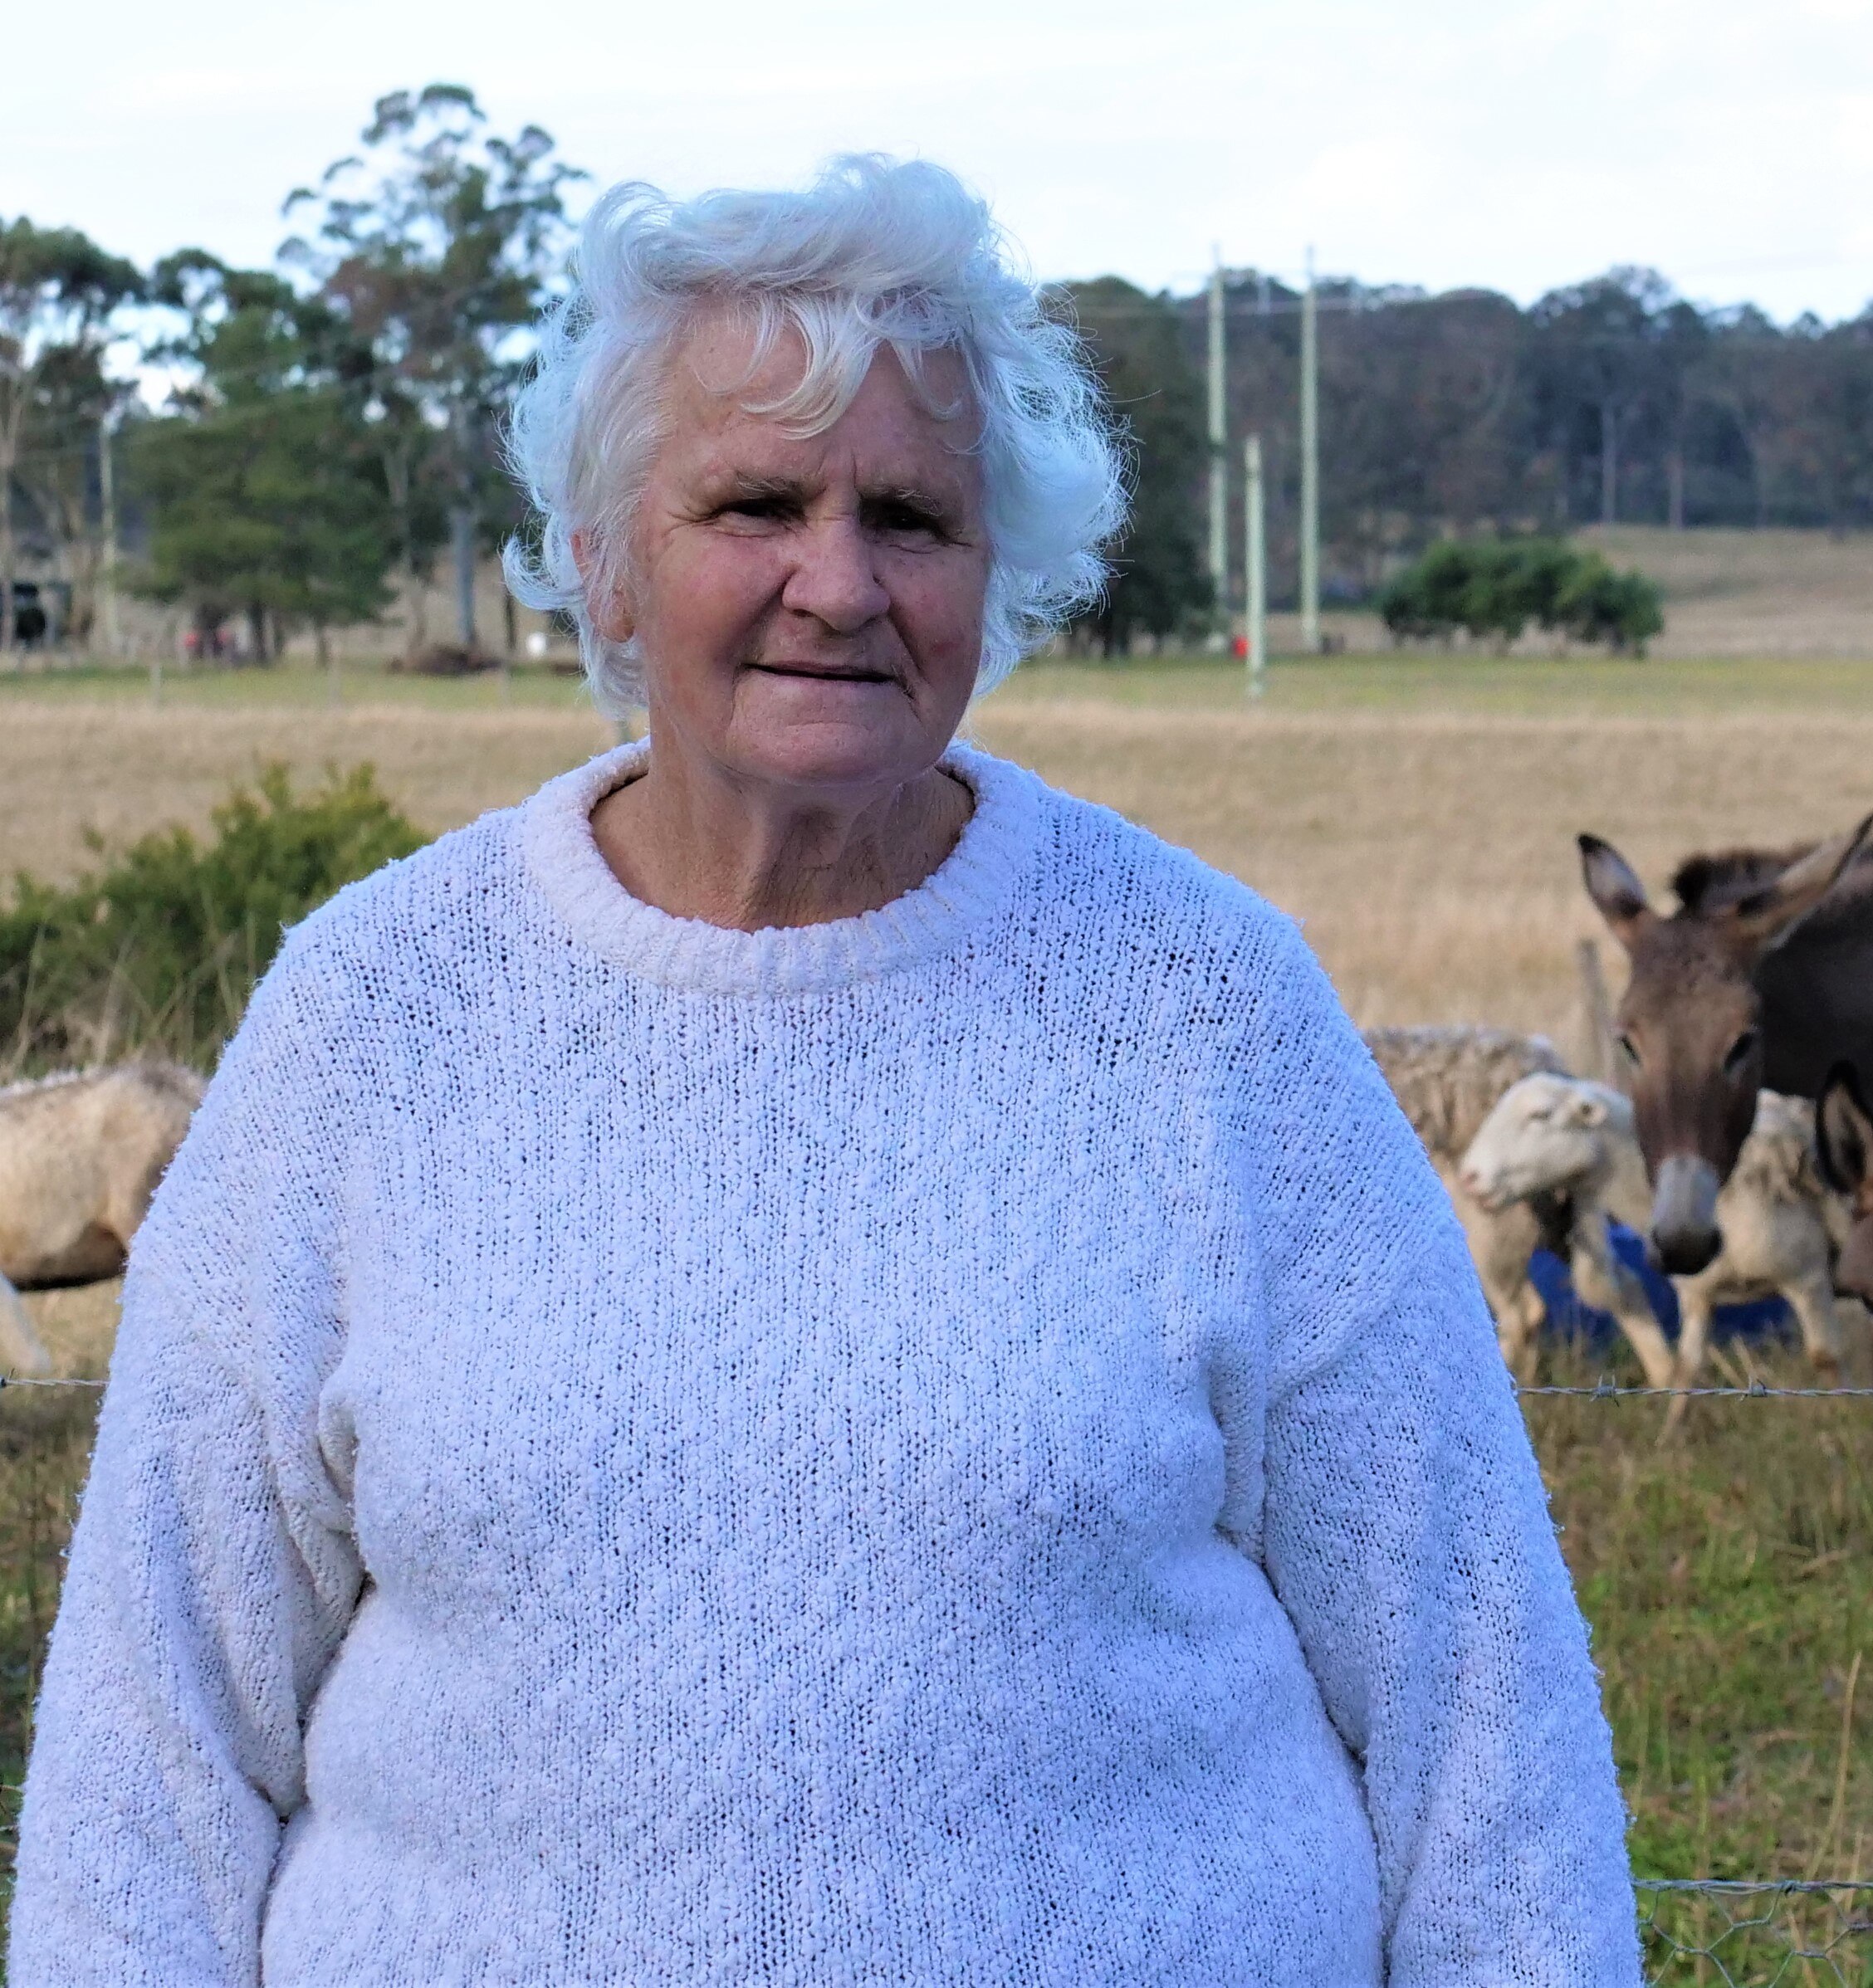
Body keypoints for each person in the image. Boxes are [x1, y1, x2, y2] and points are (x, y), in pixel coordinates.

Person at [8, 156, 1640, 1986]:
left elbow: (1483, 1720)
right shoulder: (370, 1017)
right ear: (605, 560)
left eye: (914, 519)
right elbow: (147, 1763)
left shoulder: (1203, 1007)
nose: (838, 582)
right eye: (758, 501)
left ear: (994, 565)